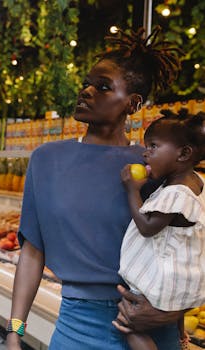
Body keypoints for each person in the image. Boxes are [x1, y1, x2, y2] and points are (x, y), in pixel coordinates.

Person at [6, 27, 184, 350]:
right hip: (77, 325)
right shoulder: (46, 160)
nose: (87, 91)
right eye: (86, 83)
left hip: (151, 325)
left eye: (103, 87)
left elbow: (187, 250)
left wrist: (176, 312)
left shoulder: (154, 168)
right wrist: (14, 330)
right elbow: (32, 253)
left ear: (133, 104)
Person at [118, 109, 205, 350]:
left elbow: (147, 228)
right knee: (171, 308)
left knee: (129, 326)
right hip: (181, 278)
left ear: (183, 154)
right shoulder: (195, 181)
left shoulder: (175, 193)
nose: (146, 152)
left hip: (161, 279)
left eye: (154, 146)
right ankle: (180, 337)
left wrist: (132, 190)